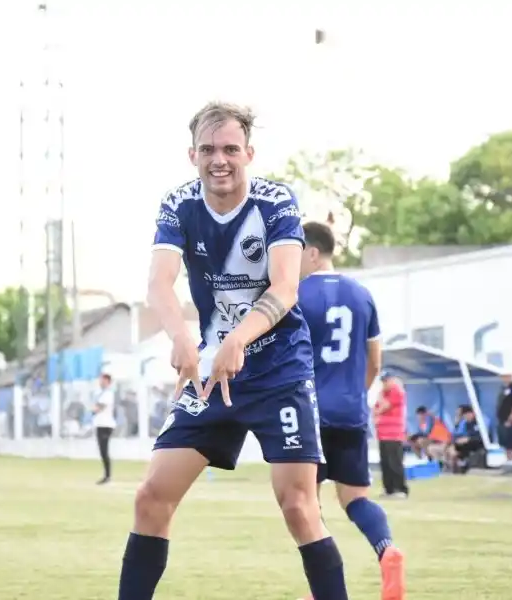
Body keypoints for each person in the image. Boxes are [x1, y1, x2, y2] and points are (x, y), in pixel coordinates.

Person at [117, 102, 349, 600]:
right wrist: (181, 336)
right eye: (207, 150)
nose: (218, 160)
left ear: (249, 152)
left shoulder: (276, 203)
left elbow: (286, 287)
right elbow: (159, 282)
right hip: (211, 373)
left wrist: (238, 339)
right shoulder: (179, 204)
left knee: (298, 507)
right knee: (152, 497)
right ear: (191, 155)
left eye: (229, 149)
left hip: (278, 369)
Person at [298, 221, 405, 600]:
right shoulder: (362, 294)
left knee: (304, 503)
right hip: (351, 412)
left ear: (311, 252)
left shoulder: (294, 294)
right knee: (356, 497)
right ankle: (386, 549)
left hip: (308, 414)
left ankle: (321, 587)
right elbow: (374, 360)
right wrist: (355, 394)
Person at [373, 374, 409, 498]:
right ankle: (388, 488)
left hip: (394, 434)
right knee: (385, 463)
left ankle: (400, 489)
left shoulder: (397, 391)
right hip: (382, 434)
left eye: (386, 381)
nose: (384, 384)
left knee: (395, 462)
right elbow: (375, 410)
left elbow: (384, 406)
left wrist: (380, 397)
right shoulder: (384, 393)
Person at [92, 372, 117, 485]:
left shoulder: (108, 394)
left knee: (104, 450)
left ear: (107, 381)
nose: (100, 382)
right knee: (102, 451)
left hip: (106, 425)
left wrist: (95, 408)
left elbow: (99, 407)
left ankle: (107, 476)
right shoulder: (99, 393)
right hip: (99, 424)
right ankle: (106, 475)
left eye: (103, 380)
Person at [444, 405, 483, 473]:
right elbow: (456, 435)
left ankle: (457, 467)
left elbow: (481, 437)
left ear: (472, 413)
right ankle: (454, 468)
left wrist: (468, 439)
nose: (466, 417)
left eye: (467, 415)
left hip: (477, 445)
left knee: (455, 447)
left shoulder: (480, 421)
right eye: (464, 416)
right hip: (467, 444)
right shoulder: (466, 423)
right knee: (451, 447)